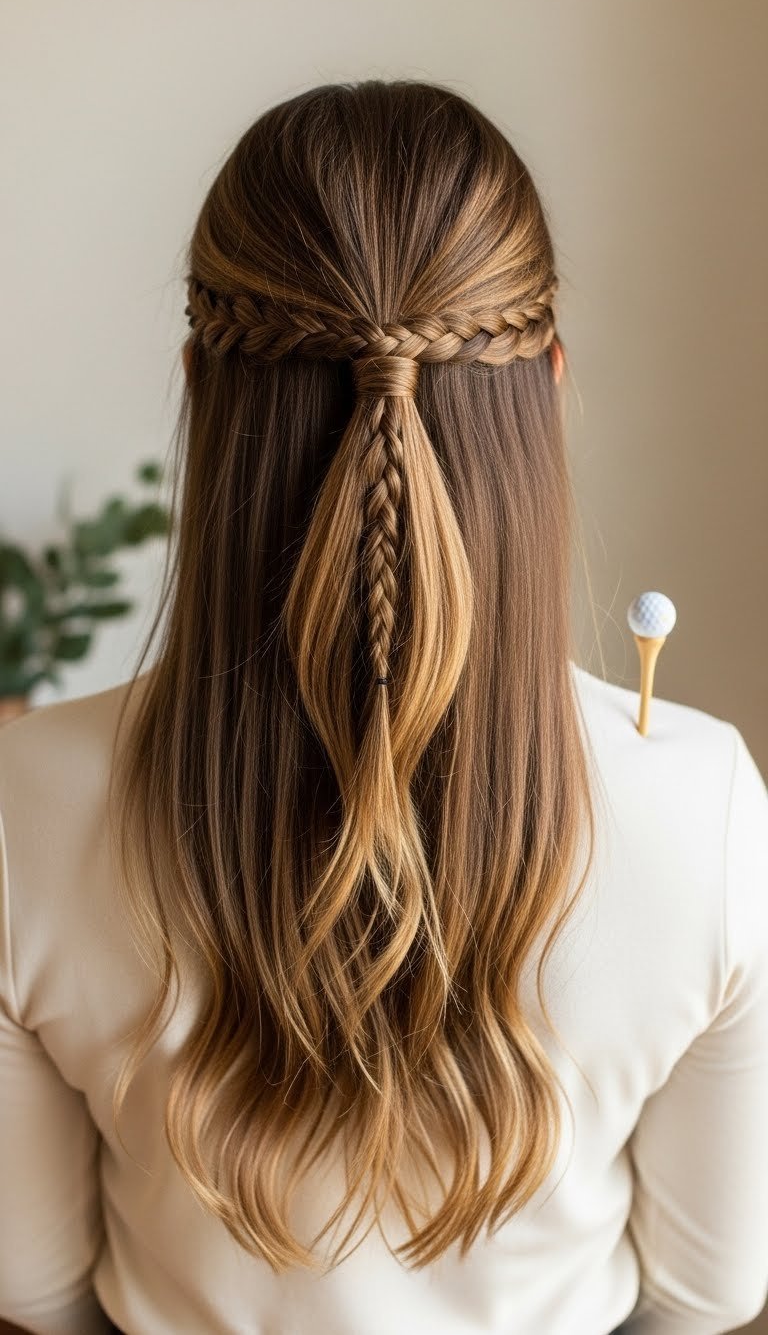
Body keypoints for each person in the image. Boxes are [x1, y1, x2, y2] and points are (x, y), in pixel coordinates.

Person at [1, 79, 767, 1335]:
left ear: (199, 388)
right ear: (551, 382)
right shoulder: (705, 806)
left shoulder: (26, 806)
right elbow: (708, 1291)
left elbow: (33, 1286)